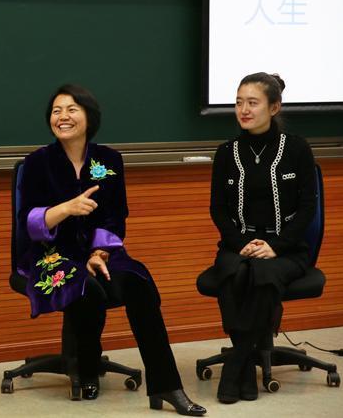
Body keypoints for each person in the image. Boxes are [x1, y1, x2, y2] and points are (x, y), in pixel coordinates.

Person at [17, 84, 206, 416]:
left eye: (71, 109)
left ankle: (166, 386)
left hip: (100, 252)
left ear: (89, 117)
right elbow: (28, 223)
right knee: (87, 287)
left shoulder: (108, 160)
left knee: (138, 284)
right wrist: (66, 209)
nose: (62, 117)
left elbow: (116, 215)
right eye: (56, 111)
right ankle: (88, 369)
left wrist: (99, 253)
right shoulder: (36, 163)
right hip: (51, 255)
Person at [209, 72, 316, 403]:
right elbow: (218, 210)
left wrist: (276, 246)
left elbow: (308, 208)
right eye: (238, 102)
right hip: (237, 244)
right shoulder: (226, 152)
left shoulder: (297, 148)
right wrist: (241, 244)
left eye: (252, 103)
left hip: (287, 248)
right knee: (232, 272)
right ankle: (245, 368)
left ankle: (236, 365)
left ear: (274, 107)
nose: (243, 110)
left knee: (263, 275)